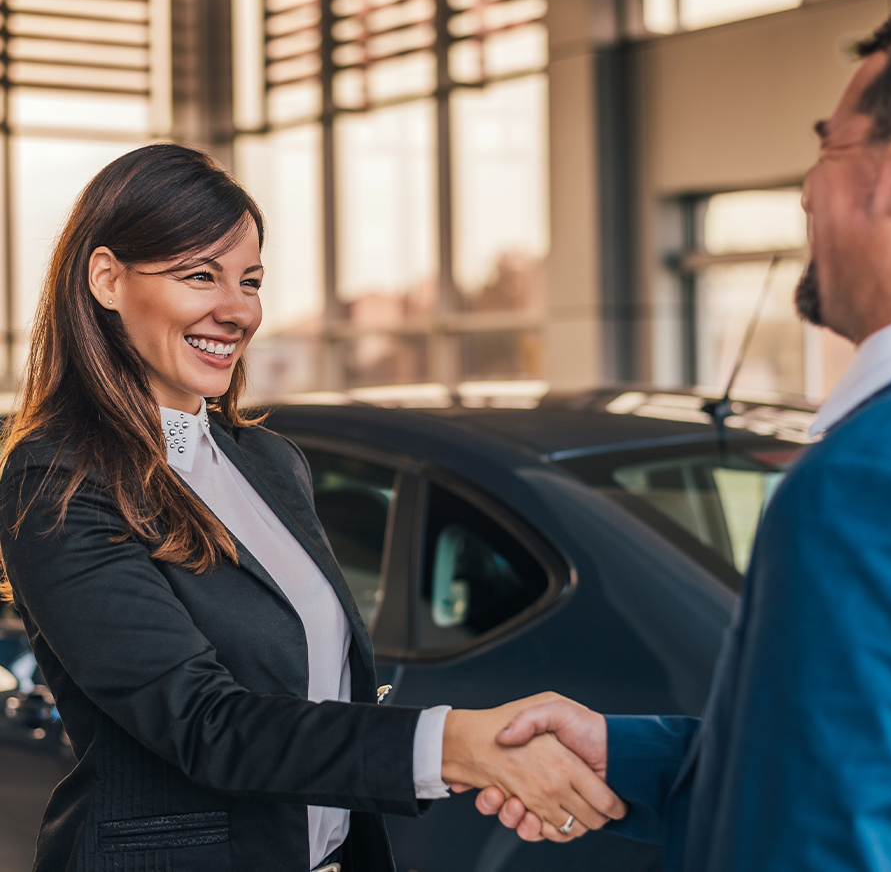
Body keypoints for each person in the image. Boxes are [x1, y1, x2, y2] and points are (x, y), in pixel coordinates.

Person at [0, 143, 625, 872]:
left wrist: (479, 760)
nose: (236, 310)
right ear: (107, 279)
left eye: (251, 281)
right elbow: (205, 724)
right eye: (200, 275)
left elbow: (316, 697)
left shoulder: (267, 461)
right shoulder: (58, 479)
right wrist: (454, 745)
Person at [472, 9, 891, 872]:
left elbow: (818, 841)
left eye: (829, 145)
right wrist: (623, 753)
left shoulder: (856, 485)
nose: (808, 191)